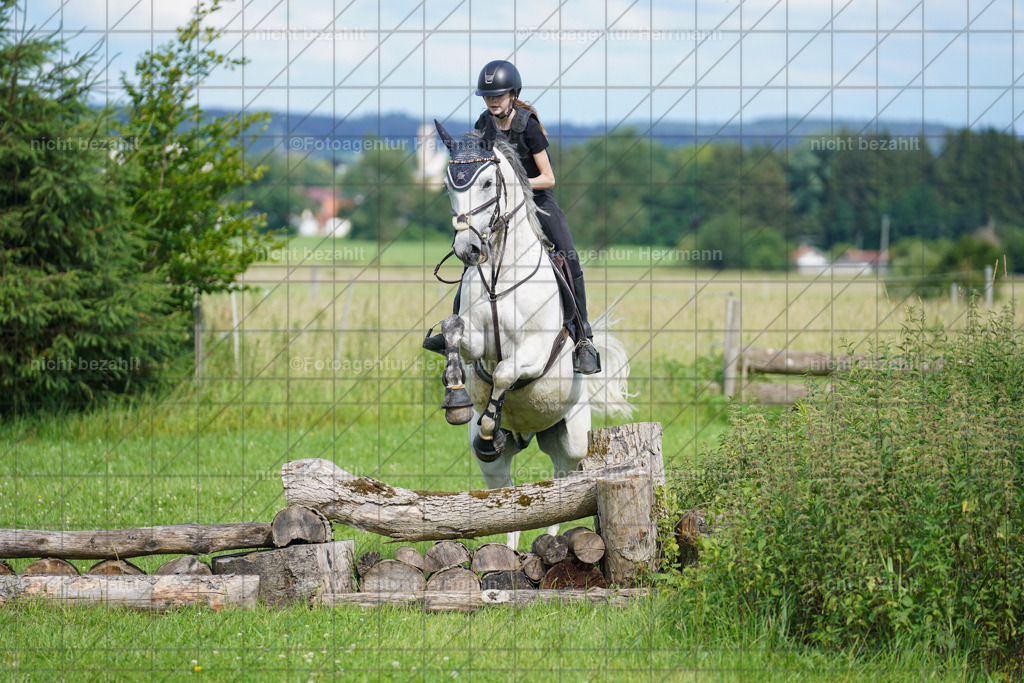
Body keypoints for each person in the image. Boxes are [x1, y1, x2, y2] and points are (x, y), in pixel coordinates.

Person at [424, 59, 601, 374]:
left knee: (569, 254)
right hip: (497, 204)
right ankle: (455, 327)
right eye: (488, 97)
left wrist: (514, 186)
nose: (493, 101)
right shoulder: (484, 123)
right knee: (472, 256)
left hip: (536, 199)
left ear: (513, 94)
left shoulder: (528, 125)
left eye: (499, 95)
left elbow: (548, 178)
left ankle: (583, 337)